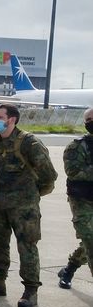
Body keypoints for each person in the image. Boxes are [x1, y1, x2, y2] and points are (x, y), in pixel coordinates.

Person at [0, 103, 57, 307]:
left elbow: (49, 176)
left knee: (27, 247)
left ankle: (30, 290)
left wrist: (31, 195)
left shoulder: (29, 143)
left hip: (24, 208)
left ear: (12, 119)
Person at [59, 108, 93, 290]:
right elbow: (73, 171)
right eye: (90, 119)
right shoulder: (77, 146)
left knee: (90, 240)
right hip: (82, 199)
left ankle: (69, 268)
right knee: (90, 238)